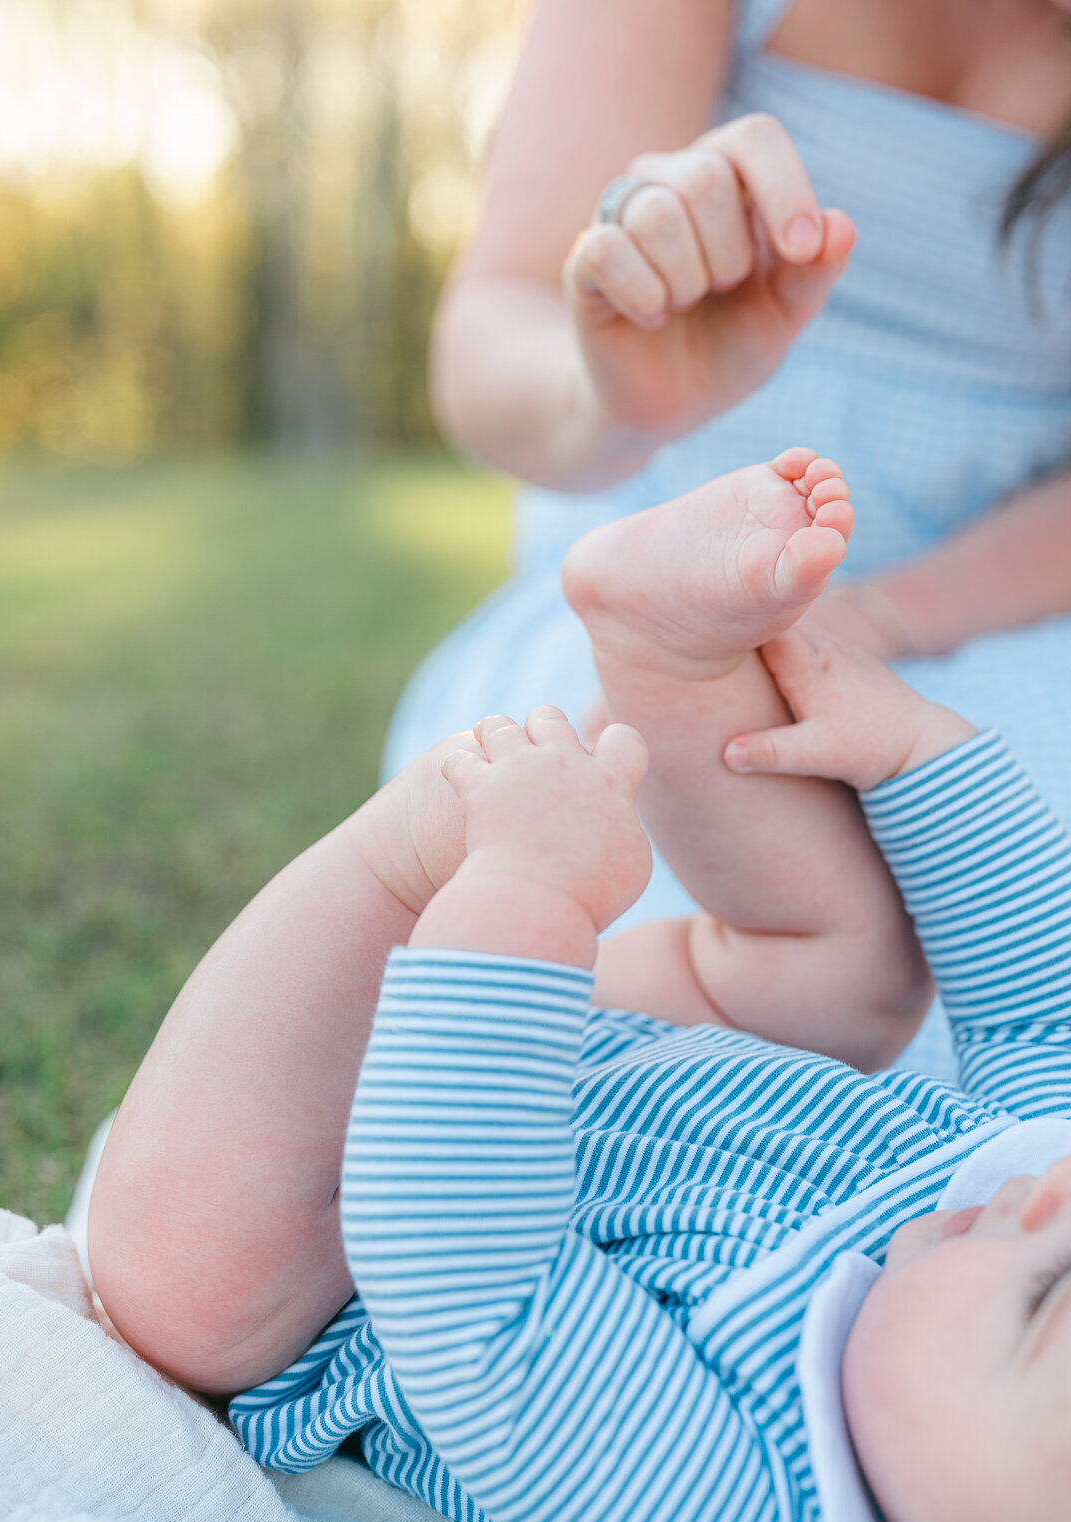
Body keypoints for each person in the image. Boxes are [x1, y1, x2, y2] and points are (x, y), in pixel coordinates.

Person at [89, 450, 1071, 1522]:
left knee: (192, 1281)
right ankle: (669, 660)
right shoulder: (1011, 1214)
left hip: (358, 1229)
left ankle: (412, 849)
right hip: (640, 1056)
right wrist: (917, 754)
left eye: (1046, 1301)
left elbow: (475, 1278)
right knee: (856, 980)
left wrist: (523, 899)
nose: (1051, 1197)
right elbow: (1042, 1001)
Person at [384, 0, 1071, 1076]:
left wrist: (882, 620)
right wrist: (612, 397)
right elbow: (489, 335)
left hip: (1016, 614)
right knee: (588, 954)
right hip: (660, 615)